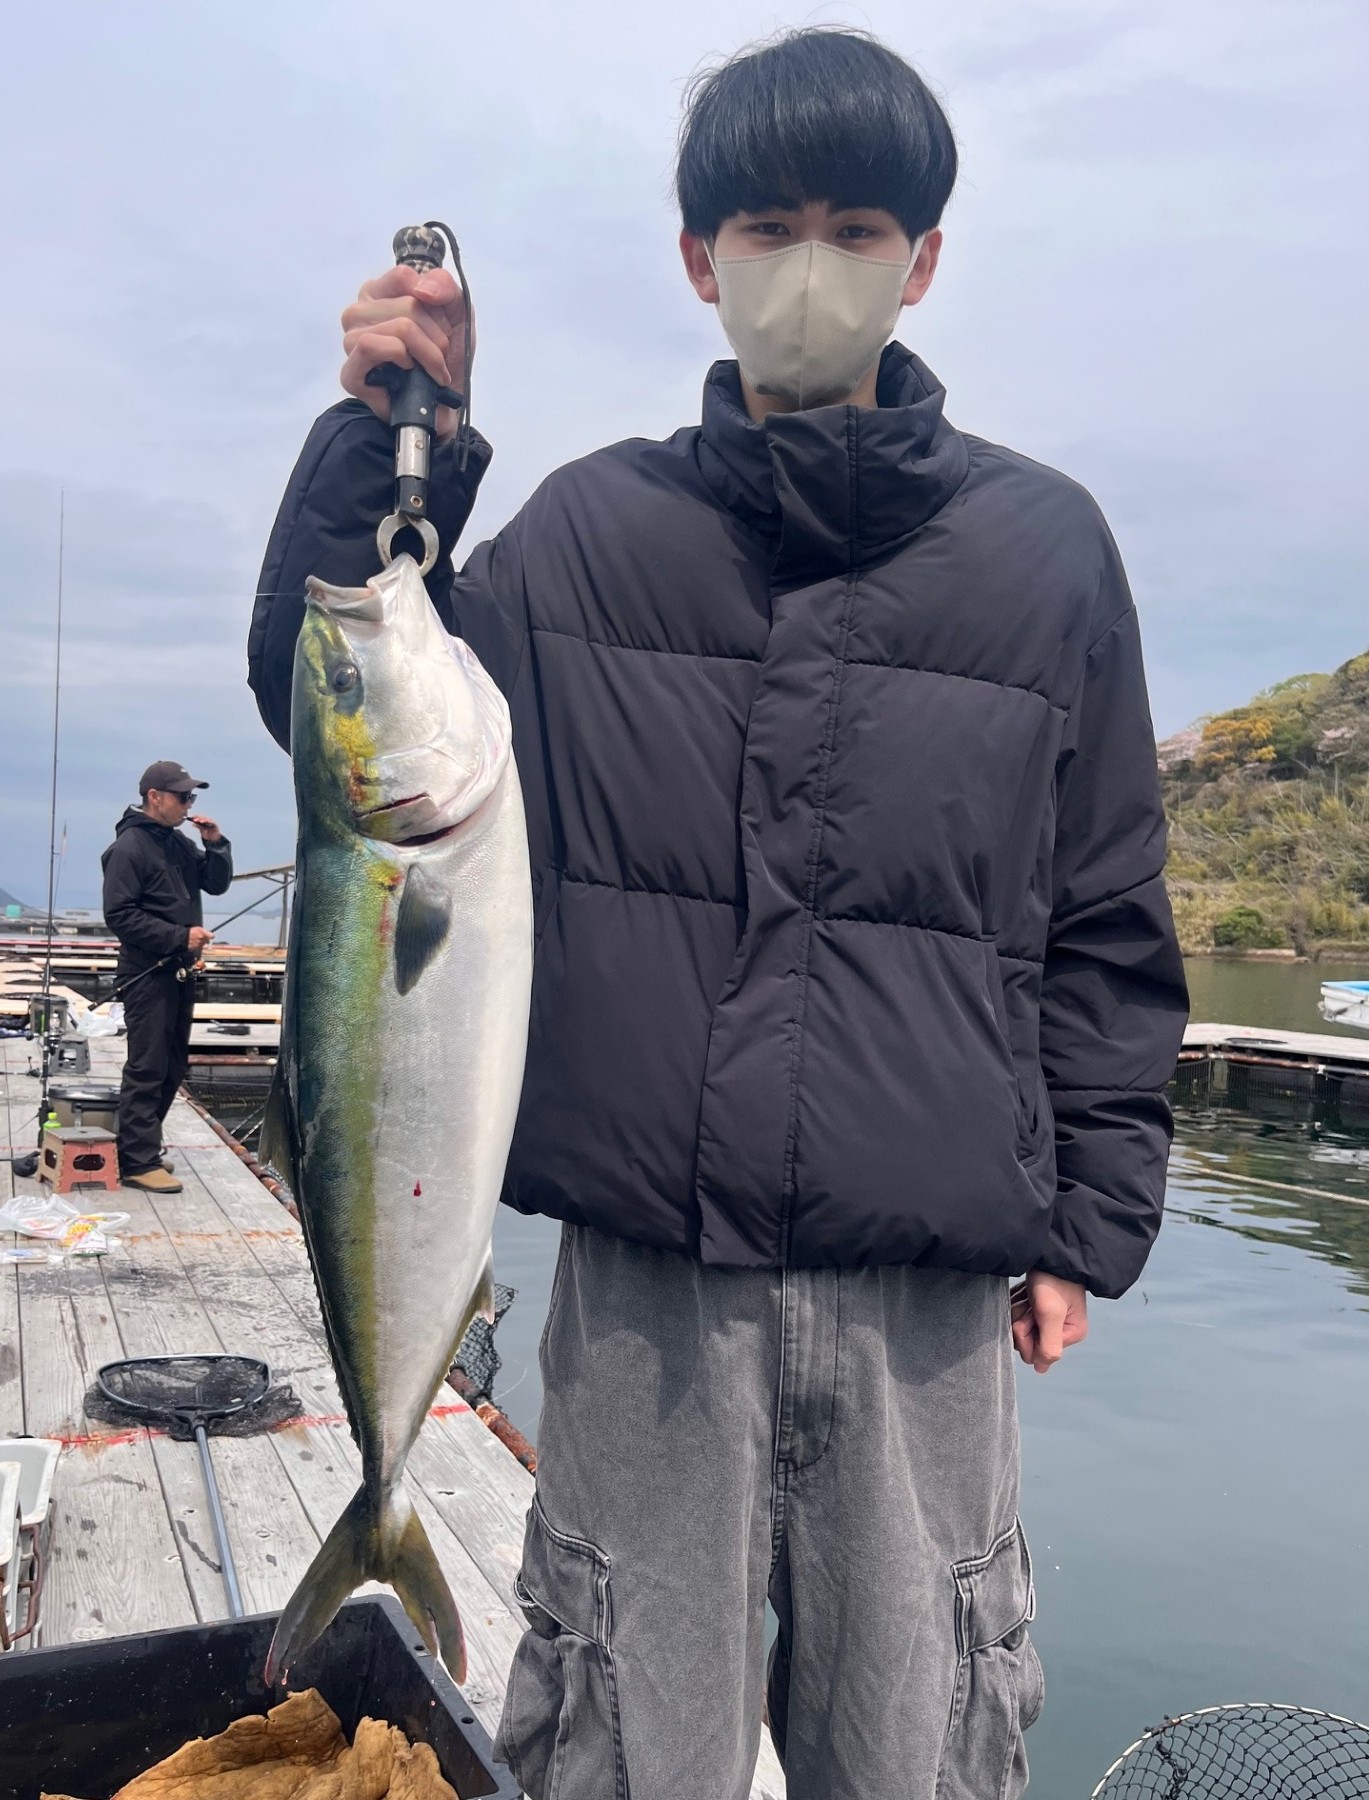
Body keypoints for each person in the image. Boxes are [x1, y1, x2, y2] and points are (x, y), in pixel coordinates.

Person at [249, 27, 1188, 1799]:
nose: (809, 266)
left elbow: (1105, 913)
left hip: (924, 1291)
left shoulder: (1046, 551)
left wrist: (1086, 1217)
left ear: (922, 258)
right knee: (629, 1744)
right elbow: (346, 715)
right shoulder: (586, 536)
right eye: (766, 228)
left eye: (855, 229)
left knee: (918, 1744)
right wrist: (388, 444)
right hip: (645, 1291)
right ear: (699, 259)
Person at [101, 760, 232, 1195]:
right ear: (154, 797)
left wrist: (216, 845)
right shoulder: (129, 848)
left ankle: (142, 1148)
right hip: (146, 975)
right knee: (147, 1067)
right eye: (182, 796)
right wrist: (181, 936)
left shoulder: (177, 842)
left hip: (178, 972)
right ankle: (136, 1162)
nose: (188, 804)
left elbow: (215, 884)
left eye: (191, 797)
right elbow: (119, 915)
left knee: (173, 1065)